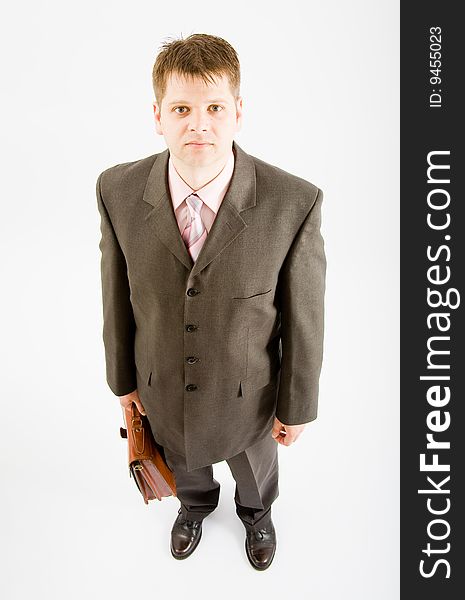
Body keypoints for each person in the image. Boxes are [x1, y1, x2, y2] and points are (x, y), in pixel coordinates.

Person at [96, 33, 326, 571]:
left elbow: (306, 317)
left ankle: (256, 513)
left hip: (251, 396)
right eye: (181, 108)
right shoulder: (117, 191)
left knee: (254, 470)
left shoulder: (293, 201)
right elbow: (114, 295)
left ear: (238, 112)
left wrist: (297, 405)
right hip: (162, 385)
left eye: (215, 107)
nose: (199, 123)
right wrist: (123, 381)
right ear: (158, 116)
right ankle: (194, 505)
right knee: (185, 464)